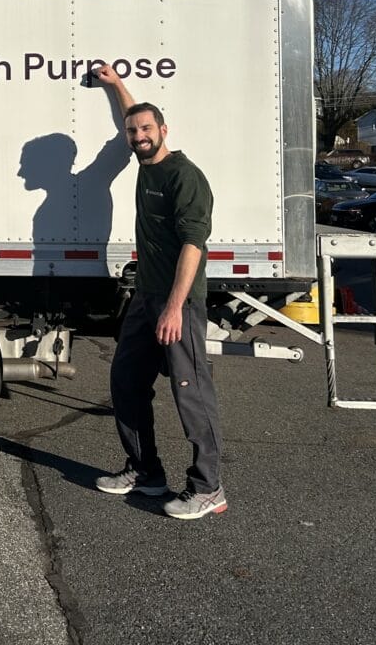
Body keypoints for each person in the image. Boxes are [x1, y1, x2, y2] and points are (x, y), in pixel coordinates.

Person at [88, 63, 226, 520]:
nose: (138, 134)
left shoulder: (182, 176)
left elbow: (194, 245)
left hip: (176, 303)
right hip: (146, 298)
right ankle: (146, 473)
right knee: (126, 383)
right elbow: (131, 114)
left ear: (164, 130)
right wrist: (116, 86)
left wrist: (173, 308)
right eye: (133, 131)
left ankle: (208, 488)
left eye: (147, 128)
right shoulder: (145, 161)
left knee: (191, 393)